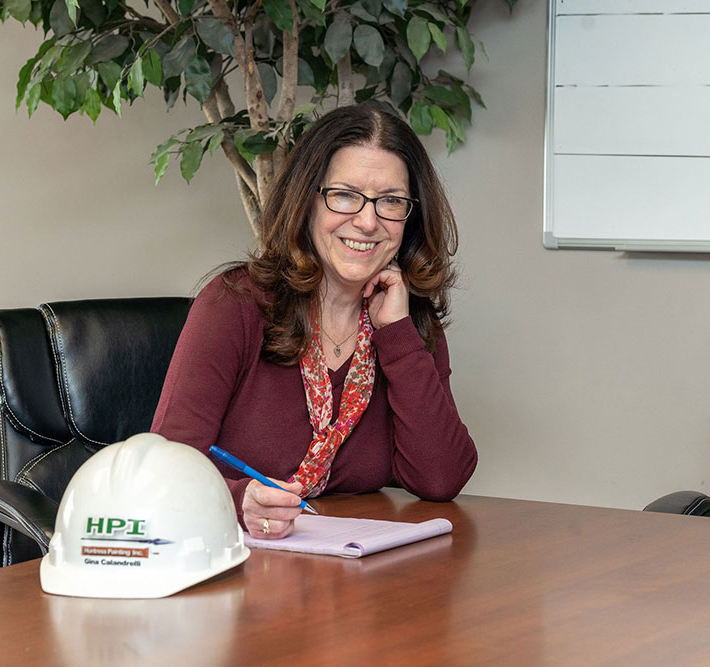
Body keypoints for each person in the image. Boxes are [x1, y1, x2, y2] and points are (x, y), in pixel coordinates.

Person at [151, 102, 476, 540]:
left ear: (410, 217)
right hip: (227, 567)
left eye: (391, 202)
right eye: (345, 195)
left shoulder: (408, 323)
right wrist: (236, 500)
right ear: (307, 200)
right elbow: (164, 469)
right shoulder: (235, 305)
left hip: (348, 578)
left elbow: (440, 480)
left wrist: (396, 337)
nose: (366, 222)